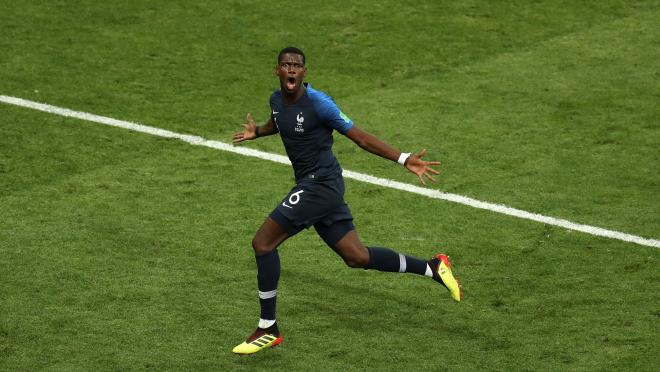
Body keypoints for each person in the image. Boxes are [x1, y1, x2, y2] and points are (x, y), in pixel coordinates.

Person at [231, 46, 461, 355]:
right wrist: (257, 132)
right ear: (277, 71)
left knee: (263, 243)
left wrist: (404, 159)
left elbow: (361, 137)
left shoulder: (320, 104)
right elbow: (278, 121)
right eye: (285, 65)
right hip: (318, 187)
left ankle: (267, 327)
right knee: (357, 257)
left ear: (304, 73)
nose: (291, 69)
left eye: (297, 65)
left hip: (320, 186)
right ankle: (433, 268)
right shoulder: (275, 100)